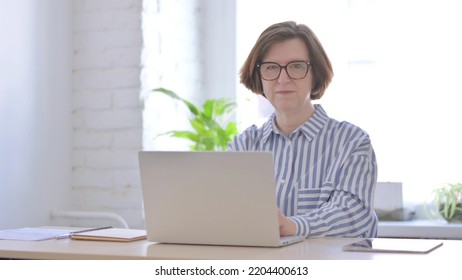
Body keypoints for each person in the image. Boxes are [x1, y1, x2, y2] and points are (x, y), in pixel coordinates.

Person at [228, 21, 378, 238]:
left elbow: (353, 215)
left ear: (315, 74)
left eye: (296, 66)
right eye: (271, 67)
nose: (283, 78)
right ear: (259, 76)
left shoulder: (352, 142)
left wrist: (292, 226)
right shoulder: (244, 146)